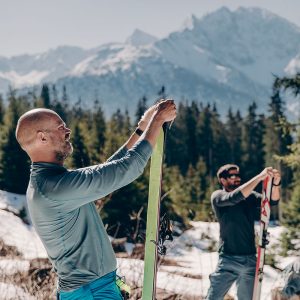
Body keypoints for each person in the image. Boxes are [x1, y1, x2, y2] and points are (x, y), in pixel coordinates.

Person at [15, 100, 176, 300]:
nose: (68, 131)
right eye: (61, 127)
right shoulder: (54, 188)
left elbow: (106, 171)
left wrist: (142, 128)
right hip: (92, 292)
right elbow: (127, 168)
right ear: (42, 138)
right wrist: (158, 119)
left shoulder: (51, 181)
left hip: (94, 288)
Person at [206, 164, 281, 300]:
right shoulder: (218, 196)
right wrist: (259, 177)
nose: (237, 178)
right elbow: (235, 197)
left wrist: (276, 183)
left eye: (238, 175)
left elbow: (271, 202)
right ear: (222, 180)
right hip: (227, 260)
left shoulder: (250, 197)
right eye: (232, 176)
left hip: (250, 261)